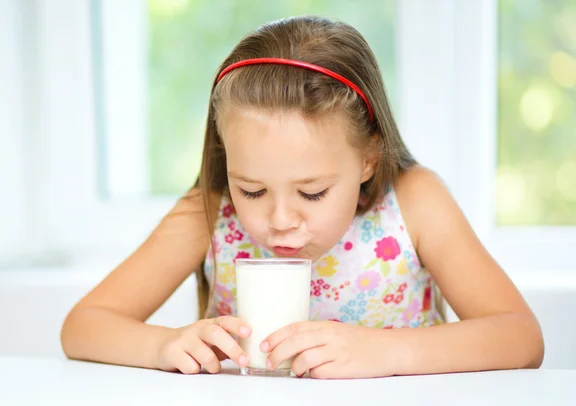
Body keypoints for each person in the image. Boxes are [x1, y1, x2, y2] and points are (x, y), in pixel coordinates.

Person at [60, 15, 544, 379]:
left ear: (369, 159)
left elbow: (522, 337)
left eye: (312, 193)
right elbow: (83, 326)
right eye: (251, 189)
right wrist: (163, 346)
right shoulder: (207, 213)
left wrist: (389, 352)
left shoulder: (414, 203)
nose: (280, 219)